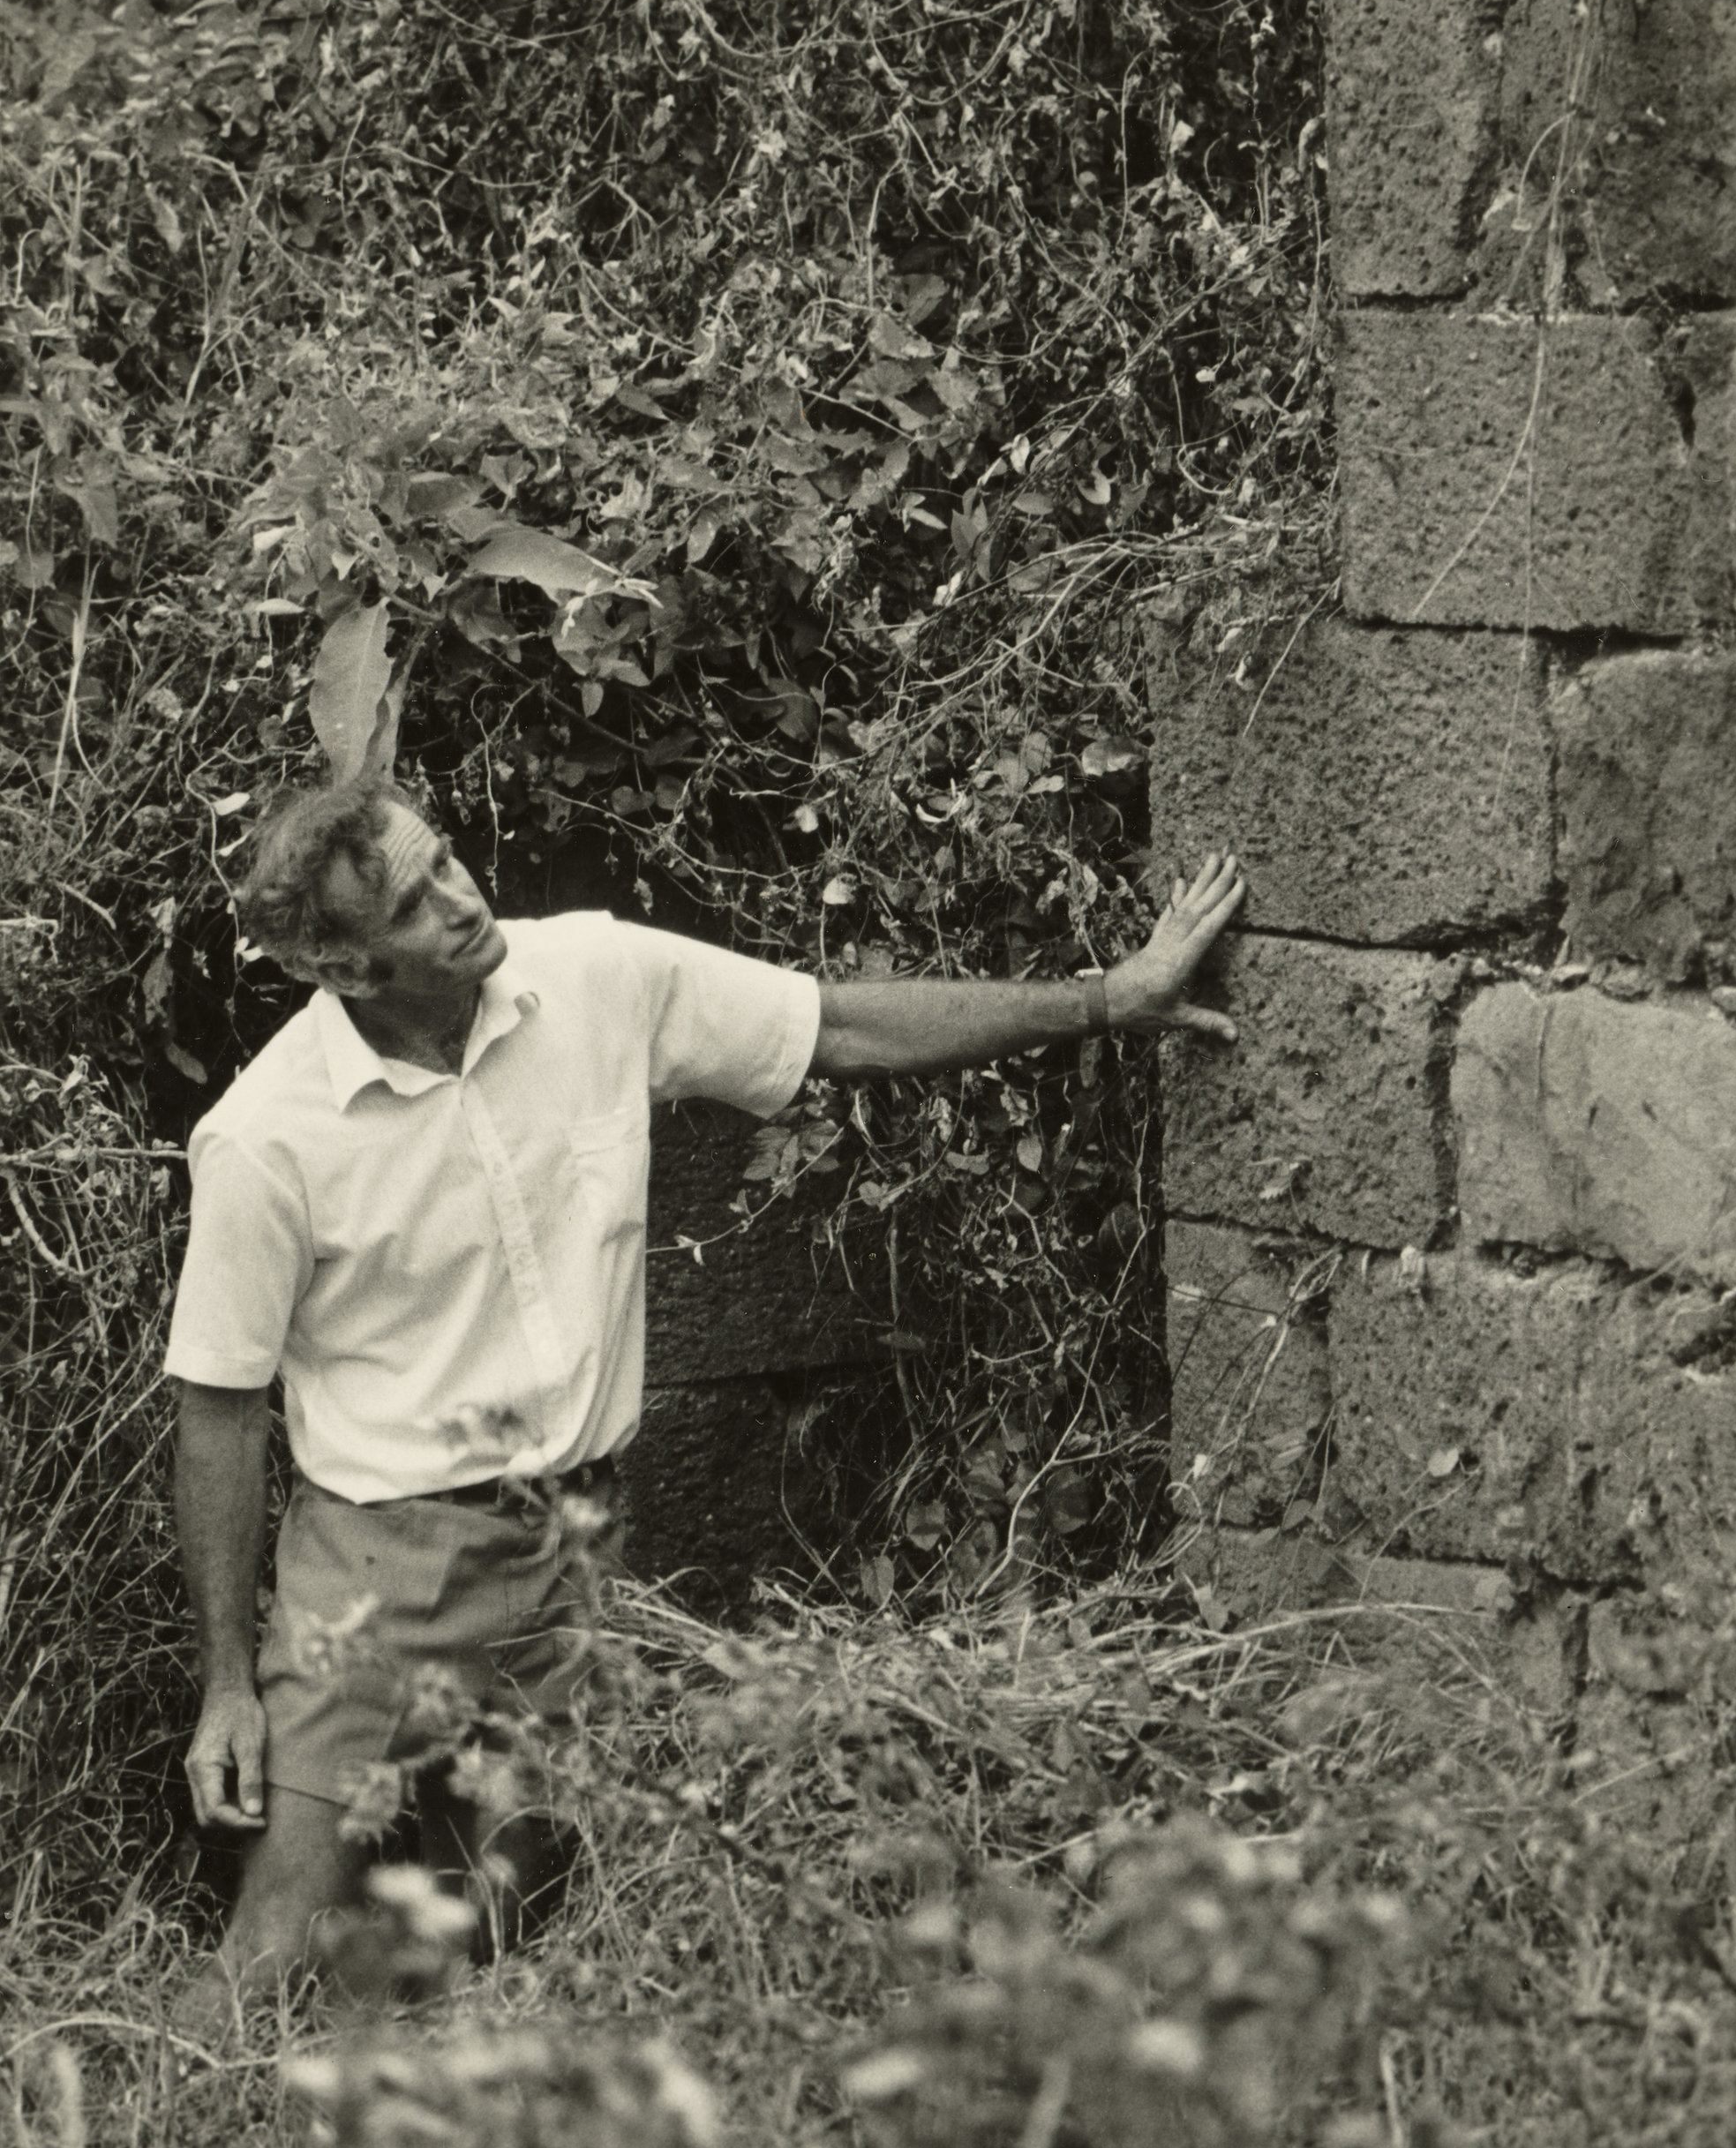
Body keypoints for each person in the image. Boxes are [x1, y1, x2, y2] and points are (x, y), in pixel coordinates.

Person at [166, 774, 1245, 1999]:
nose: (462, 901)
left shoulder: (590, 977)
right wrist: (227, 1685)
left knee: (500, 1937)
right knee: (277, 1938)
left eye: (449, 860)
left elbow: (836, 1027)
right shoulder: (267, 1138)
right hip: (373, 1570)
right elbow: (219, 1408)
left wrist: (1111, 999)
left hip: (565, 1543)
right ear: (351, 972)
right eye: (415, 905)